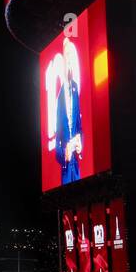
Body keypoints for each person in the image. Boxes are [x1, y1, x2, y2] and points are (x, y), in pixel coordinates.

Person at [53, 37, 84, 184]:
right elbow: (57, 141)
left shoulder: (75, 88)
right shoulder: (59, 99)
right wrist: (63, 155)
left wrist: (80, 144)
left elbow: (80, 128)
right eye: (67, 57)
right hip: (66, 171)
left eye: (72, 57)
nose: (70, 61)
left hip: (77, 168)